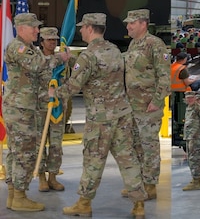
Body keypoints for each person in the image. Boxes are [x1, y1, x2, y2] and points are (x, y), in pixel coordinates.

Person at [50, 13, 146, 217]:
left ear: (90, 28)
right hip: (122, 114)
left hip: (100, 118)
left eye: (82, 27)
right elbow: (100, 71)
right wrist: (71, 61)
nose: (80, 30)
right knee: (128, 159)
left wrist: (54, 93)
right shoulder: (114, 50)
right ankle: (139, 205)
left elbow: (74, 86)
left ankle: (84, 203)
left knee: (93, 160)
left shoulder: (88, 56)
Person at [4, 13, 70, 212]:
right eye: (33, 27)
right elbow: (39, 65)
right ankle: (19, 196)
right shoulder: (18, 47)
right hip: (20, 109)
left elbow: (42, 75)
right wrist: (60, 57)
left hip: (27, 107)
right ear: (21, 28)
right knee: (23, 153)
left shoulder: (32, 49)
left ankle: (15, 195)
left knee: (20, 152)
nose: (37, 31)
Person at [122, 9, 171, 201]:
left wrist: (157, 101)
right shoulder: (134, 44)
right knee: (135, 146)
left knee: (149, 146)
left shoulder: (155, 44)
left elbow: (165, 76)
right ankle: (138, 184)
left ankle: (150, 185)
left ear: (143, 23)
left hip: (148, 107)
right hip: (132, 106)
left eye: (131, 23)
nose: (128, 27)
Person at [36, 27, 76, 192]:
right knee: (40, 143)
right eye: (49, 39)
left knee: (56, 144)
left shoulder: (63, 57)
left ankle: (53, 176)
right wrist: (60, 59)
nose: (52, 42)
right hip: (41, 107)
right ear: (42, 41)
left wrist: (70, 59)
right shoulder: (37, 59)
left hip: (59, 107)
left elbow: (76, 71)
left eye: (55, 40)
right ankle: (41, 178)